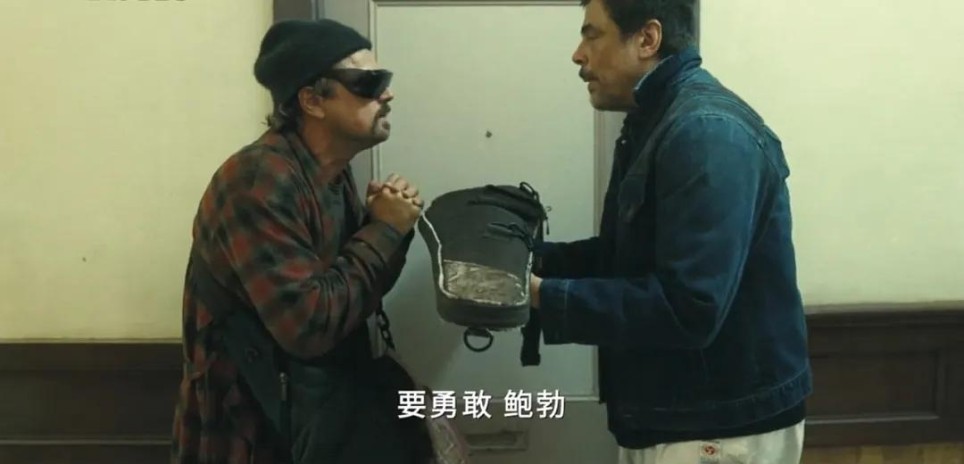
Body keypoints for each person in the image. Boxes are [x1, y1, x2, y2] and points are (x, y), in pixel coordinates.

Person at [527, 1, 812, 463]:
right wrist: (534, 261)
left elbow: (688, 308)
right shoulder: (659, 118)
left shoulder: (705, 132)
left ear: (647, 39)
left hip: (718, 431)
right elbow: (633, 257)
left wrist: (541, 295)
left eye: (592, 34)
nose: (578, 54)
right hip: (682, 419)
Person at [171, 19, 426, 463]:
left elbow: (352, 300)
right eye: (369, 83)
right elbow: (310, 326)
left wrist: (383, 226)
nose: (387, 94)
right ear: (312, 100)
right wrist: (384, 230)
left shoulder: (329, 174)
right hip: (249, 431)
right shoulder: (258, 180)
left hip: (304, 420)